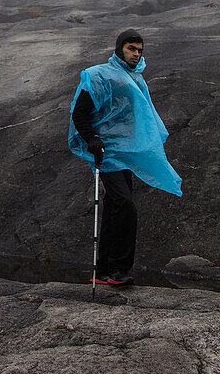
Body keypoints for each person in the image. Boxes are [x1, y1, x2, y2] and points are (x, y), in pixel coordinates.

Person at [68, 29, 183, 287]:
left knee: (115, 207)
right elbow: (80, 113)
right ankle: (120, 269)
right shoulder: (99, 75)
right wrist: (92, 138)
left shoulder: (137, 78)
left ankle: (105, 270)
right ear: (120, 48)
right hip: (107, 152)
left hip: (126, 152)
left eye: (140, 50)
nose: (136, 54)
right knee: (125, 204)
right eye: (131, 48)